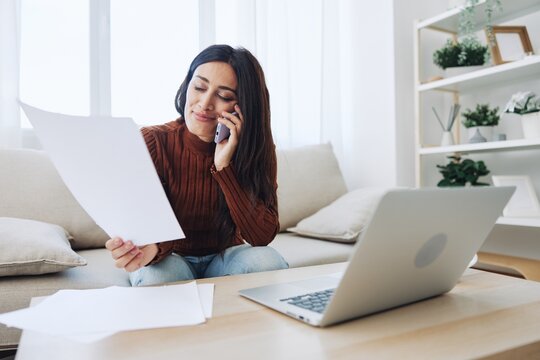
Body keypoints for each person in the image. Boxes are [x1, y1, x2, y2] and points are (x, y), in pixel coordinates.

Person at [105, 45, 288, 286]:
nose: (204, 103)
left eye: (224, 96)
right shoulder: (153, 141)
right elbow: (143, 222)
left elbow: (261, 236)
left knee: (266, 261)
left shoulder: (256, 149)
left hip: (223, 258)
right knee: (163, 275)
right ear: (186, 86)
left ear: (243, 106)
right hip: (169, 256)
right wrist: (153, 248)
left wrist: (224, 168)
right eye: (199, 87)